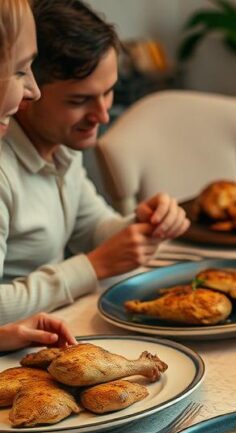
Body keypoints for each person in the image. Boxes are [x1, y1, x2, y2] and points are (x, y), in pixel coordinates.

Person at [0, 0, 190, 326]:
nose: (101, 115)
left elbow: (92, 229)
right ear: (28, 98)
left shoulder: (62, 148)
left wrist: (143, 225)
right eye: (79, 100)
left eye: (108, 92)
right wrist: (92, 267)